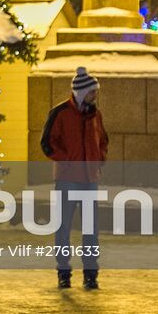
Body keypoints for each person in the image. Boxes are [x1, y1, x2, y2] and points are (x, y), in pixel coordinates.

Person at [45, 67, 108, 290]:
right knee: (64, 227)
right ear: (81, 92)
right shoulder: (60, 113)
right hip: (67, 179)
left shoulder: (95, 115)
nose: (95, 96)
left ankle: (91, 273)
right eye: (92, 92)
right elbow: (47, 143)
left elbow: (103, 141)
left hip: (89, 179)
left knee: (90, 229)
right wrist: (68, 161)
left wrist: (98, 160)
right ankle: (64, 271)